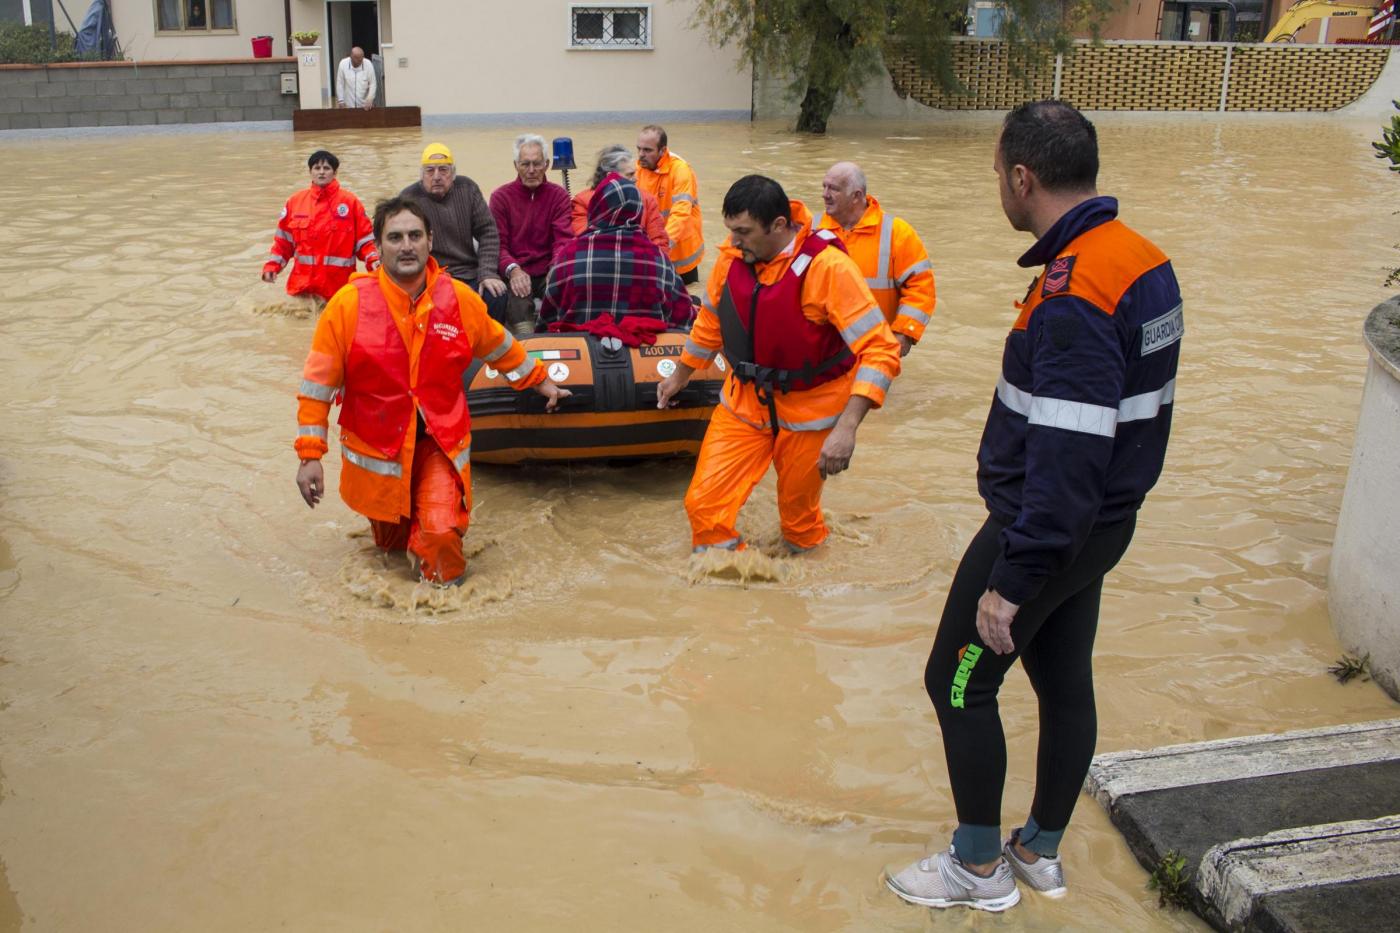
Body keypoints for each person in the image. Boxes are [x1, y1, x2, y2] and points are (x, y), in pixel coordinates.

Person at [885, 101, 1183, 913]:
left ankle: (978, 866)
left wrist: (1012, 579)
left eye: (996, 174)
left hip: (1045, 527)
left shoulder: (1075, 293)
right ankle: (1039, 848)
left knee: (956, 681)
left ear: (1023, 178)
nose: (998, 189)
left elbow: (1066, 450)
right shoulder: (1141, 258)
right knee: (1062, 677)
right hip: (1103, 523)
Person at [293, 197, 571, 585]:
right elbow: (317, 386)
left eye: (415, 235)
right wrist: (310, 456)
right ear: (377, 246)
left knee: (439, 535)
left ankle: (446, 606)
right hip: (380, 448)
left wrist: (540, 380)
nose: (406, 245)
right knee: (391, 549)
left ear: (430, 240)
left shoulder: (458, 299)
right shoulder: (347, 306)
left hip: (440, 441)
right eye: (395, 237)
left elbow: (500, 345)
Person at [656, 175, 901, 554]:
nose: (734, 241)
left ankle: (805, 578)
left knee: (799, 525)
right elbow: (710, 322)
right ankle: (727, 579)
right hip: (744, 402)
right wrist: (680, 375)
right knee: (703, 505)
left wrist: (847, 428)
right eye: (731, 230)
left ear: (779, 225)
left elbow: (880, 349)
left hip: (811, 411)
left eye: (744, 232)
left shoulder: (829, 269)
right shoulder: (732, 259)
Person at [539, 172, 694, 331]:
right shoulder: (658, 260)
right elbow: (684, 320)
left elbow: (547, 320)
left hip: (581, 343)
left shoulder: (570, 256)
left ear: (597, 206)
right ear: (638, 210)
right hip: (643, 344)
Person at [815, 162, 936, 358]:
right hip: (821, 353)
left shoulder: (897, 233)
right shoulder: (811, 229)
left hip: (873, 351)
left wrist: (904, 334)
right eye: (824, 186)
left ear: (856, 196)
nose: (825, 194)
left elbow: (921, 288)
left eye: (834, 189)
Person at [398, 143, 509, 324]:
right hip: (431, 277)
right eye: (430, 171)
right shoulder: (408, 198)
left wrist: (487, 273)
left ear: (453, 173)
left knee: (496, 295)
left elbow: (488, 232)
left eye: (443, 170)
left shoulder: (468, 188)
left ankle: (487, 341)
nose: (436, 176)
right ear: (421, 175)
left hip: (469, 273)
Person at [262, 149, 379, 307]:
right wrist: (272, 267)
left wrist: (375, 264)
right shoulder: (295, 202)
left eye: (326, 168)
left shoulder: (350, 203)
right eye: (317, 168)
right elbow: (283, 243)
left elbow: (365, 243)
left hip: (339, 290)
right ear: (310, 172)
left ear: (335, 172)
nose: (321, 172)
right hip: (302, 288)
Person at [489, 134, 573, 338]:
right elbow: (498, 245)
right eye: (525, 164)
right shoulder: (500, 197)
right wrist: (513, 270)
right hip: (516, 269)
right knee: (517, 298)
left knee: (563, 290)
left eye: (537, 163)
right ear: (516, 166)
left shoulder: (559, 196)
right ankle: (525, 342)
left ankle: (560, 339)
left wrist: (556, 267)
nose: (532, 170)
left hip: (547, 269)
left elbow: (563, 240)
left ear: (547, 165)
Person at [635, 124, 705, 284]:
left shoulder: (680, 170)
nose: (641, 155)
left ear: (662, 150)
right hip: (655, 251)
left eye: (647, 150)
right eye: (639, 149)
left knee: (688, 293)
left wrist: (661, 246)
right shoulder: (638, 170)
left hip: (681, 253)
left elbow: (680, 213)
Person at [569, 144, 668, 252]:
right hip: (606, 259)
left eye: (634, 173)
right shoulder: (583, 202)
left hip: (637, 260)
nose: (635, 178)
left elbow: (659, 242)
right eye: (630, 174)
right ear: (610, 177)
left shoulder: (647, 200)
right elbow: (582, 240)